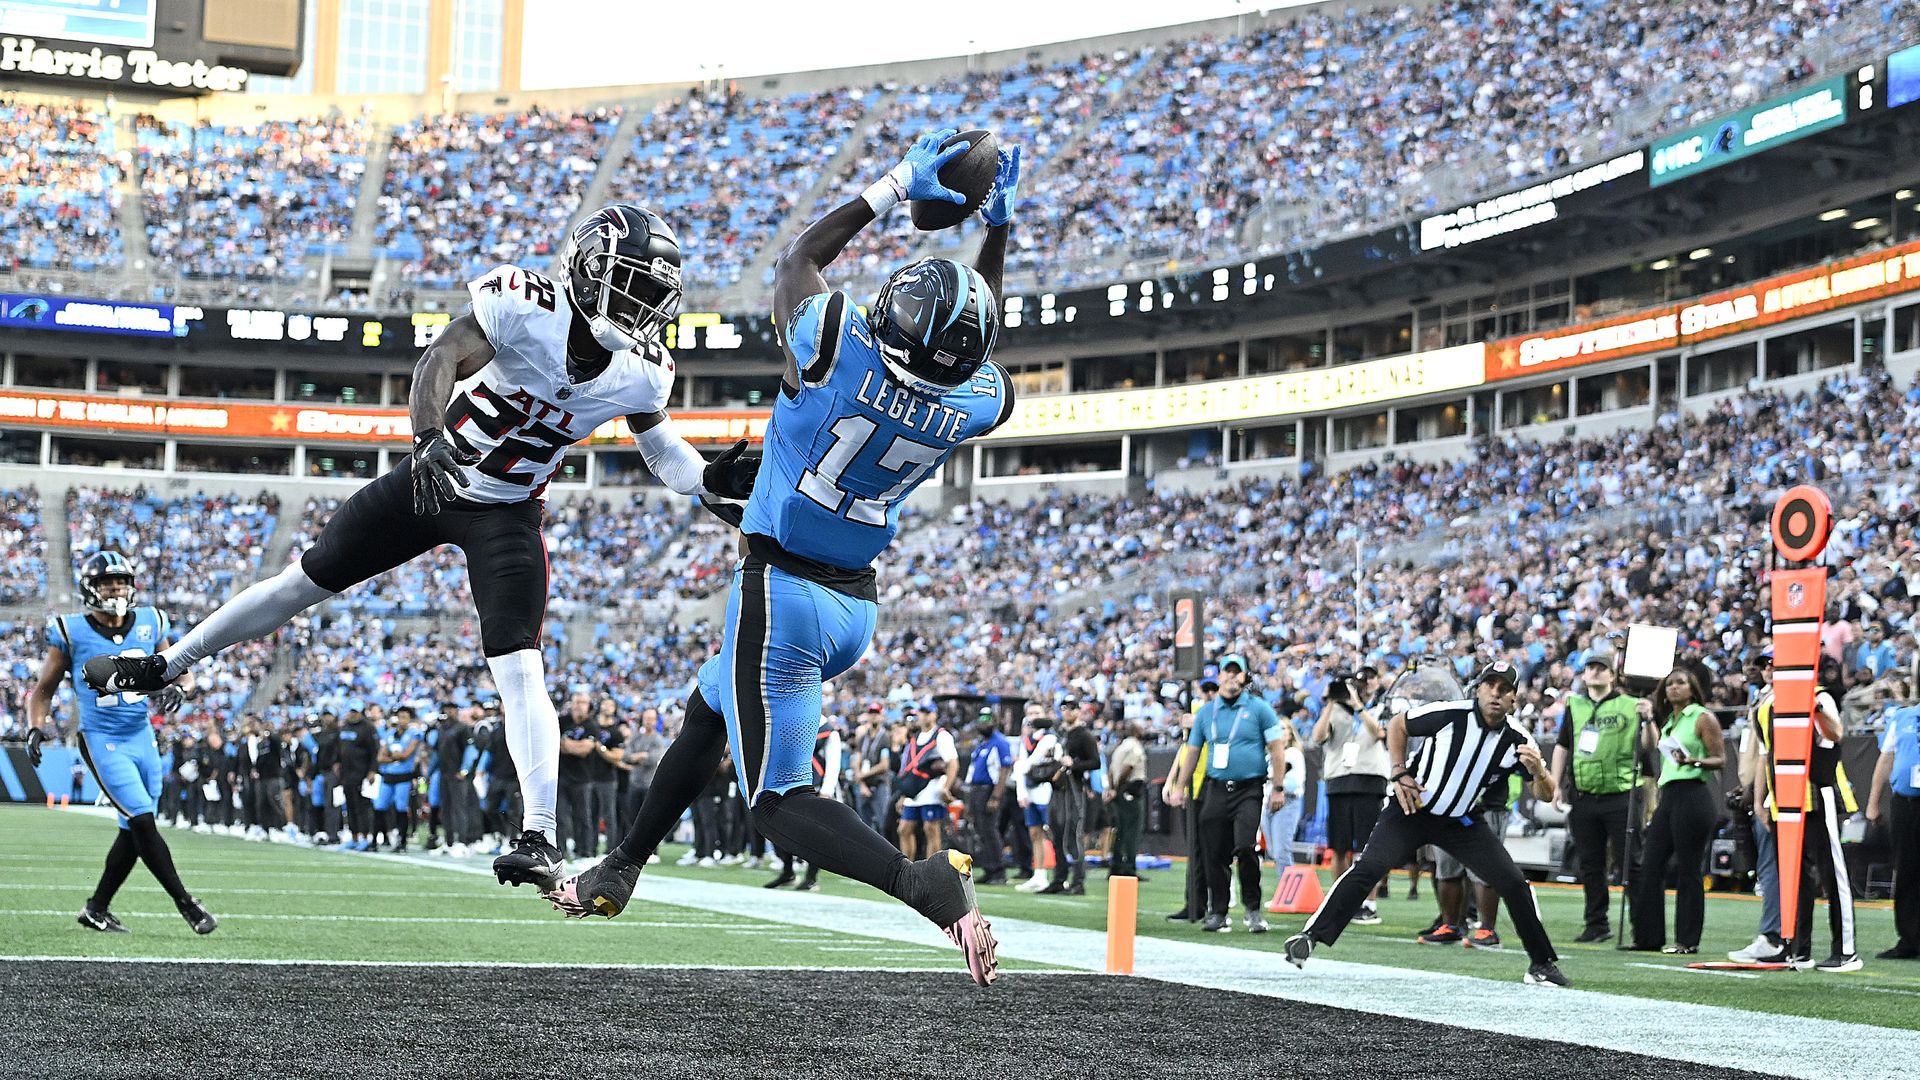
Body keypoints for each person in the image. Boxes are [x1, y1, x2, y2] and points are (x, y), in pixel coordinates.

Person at [79, 203, 758, 891]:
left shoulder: (642, 368)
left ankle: (541, 836)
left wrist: (705, 477)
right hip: (433, 479)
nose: (640, 305)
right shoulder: (527, 303)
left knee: (520, 665)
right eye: (630, 284)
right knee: (302, 581)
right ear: (586, 269)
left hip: (507, 515)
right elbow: (442, 356)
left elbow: (660, 447)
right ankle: (166, 665)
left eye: (651, 293)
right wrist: (429, 438)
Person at [545, 129, 1022, 987]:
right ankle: (621, 865)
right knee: (706, 711)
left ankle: (926, 887)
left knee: (779, 803)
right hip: (852, 607)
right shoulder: (974, 399)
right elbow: (973, 345)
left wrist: (892, 186)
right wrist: (1001, 233)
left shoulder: (839, 342)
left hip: (785, 589)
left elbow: (803, 253)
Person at [1286, 661, 1569, 987]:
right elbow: (1397, 724)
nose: (1495, 693)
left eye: (1504, 689)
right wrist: (1398, 770)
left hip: (1461, 820)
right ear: (1478, 689)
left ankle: (1541, 964)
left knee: (1514, 883)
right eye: (1490, 685)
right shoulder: (1451, 714)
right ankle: (1309, 937)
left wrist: (1539, 772)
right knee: (1369, 867)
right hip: (1412, 809)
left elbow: (1546, 794)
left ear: (1513, 700)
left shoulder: (1518, 738)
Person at [24, 551, 217, 935]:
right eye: (107, 583)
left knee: (135, 827)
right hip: (101, 738)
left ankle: (96, 908)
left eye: (121, 582)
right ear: (90, 589)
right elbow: (43, 690)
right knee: (142, 820)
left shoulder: (151, 621)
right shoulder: (70, 630)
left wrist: (183, 688)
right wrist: (35, 727)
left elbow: (181, 671)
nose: (116, 589)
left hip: (142, 736)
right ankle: (187, 904)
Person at [1165, 654, 1288, 933]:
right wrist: (1180, 787)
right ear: (1219, 676)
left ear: (1244, 677)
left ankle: (1252, 908)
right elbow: (1192, 752)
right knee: (1213, 851)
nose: (1231, 677)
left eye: (1237, 673)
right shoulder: (1207, 713)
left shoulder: (1259, 709)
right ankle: (1218, 911)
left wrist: (1278, 787)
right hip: (1216, 788)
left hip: (1249, 789)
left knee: (1245, 846)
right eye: (1227, 672)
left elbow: (1277, 749)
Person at [1548, 649, 1642, 943]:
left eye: (1601, 667)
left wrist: (1648, 718)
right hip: (1584, 795)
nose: (1595, 671)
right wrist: (1555, 783)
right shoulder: (1574, 705)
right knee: (1590, 863)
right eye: (1590, 667)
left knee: (1631, 862)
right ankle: (1596, 923)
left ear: (1613, 675)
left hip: (1620, 793)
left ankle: (1642, 926)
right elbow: (1563, 745)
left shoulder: (1631, 705)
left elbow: (1650, 744)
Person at [1629, 667, 1724, 955]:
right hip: (1668, 795)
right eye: (1669, 684)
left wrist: (1694, 761)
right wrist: (1647, 719)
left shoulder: (1702, 717)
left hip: (1693, 795)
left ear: (1692, 688)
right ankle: (1648, 937)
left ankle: (1687, 940)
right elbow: (1653, 746)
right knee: (1650, 864)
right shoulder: (1670, 721)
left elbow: (1720, 759)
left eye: (1680, 683)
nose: (1673, 688)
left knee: (1688, 869)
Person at [1778, 656, 1862, 971]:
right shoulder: (1778, 700)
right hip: (1790, 798)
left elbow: (1836, 734)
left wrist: (1815, 708)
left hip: (1818, 793)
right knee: (1798, 877)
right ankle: (1799, 949)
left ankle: (1847, 950)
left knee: (1832, 874)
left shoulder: (1818, 697)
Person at [1310, 671, 1388, 925]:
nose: (1363, 685)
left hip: (1369, 779)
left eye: (1368, 680)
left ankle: (1368, 902)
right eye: (1359, 682)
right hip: (1339, 780)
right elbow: (1318, 736)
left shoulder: (1382, 706)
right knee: (1340, 846)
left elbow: (1379, 733)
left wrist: (1358, 706)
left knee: (1368, 847)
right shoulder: (1336, 711)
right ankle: (1339, 899)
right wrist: (1331, 703)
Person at [1867, 694, 1920, 960]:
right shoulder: (1902, 717)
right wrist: (1873, 802)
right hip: (1905, 803)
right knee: (1906, 869)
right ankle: (1909, 940)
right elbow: (1886, 758)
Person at [1043, 695, 1101, 896]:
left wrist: (1074, 764)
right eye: (1064, 708)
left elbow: (1095, 762)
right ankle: (1059, 879)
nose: (1067, 711)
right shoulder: (1060, 733)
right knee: (1056, 834)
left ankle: (1078, 882)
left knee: (1073, 835)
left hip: (1074, 789)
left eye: (1071, 708)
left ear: (1078, 711)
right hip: (1058, 790)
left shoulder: (1083, 735)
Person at [896, 704, 960, 861]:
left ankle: (931, 873)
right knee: (904, 828)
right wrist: (904, 794)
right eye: (921, 713)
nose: (923, 716)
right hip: (915, 789)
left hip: (932, 787)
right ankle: (907, 869)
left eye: (927, 713)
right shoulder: (915, 737)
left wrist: (946, 787)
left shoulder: (941, 735)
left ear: (934, 715)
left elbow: (952, 762)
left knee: (930, 828)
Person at [965, 707, 1015, 885]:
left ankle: (999, 871)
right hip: (977, 790)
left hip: (989, 790)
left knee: (990, 830)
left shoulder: (1000, 742)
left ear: (994, 721)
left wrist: (995, 796)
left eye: (987, 719)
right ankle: (989, 868)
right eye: (981, 719)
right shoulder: (982, 743)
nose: (983, 723)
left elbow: (1004, 769)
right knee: (981, 830)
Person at [1014, 705, 1061, 893]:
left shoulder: (1050, 738)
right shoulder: (1026, 740)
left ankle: (1060, 874)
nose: (1033, 717)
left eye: (1037, 714)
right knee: (1034, 833)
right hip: (1031, 791)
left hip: (1047, 790)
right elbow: (1021, 769)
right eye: (1031, 714)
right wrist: (1021, 792)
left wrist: (1021, 767)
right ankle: (1039, 874)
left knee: (1053, 832)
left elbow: (1026, 765)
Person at [373, 707, 423, 851]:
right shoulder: (389, 733)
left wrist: (392, 756)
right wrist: (395, 757)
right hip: (388, 776)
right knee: (379, 807)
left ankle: (402, 842)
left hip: (403, 776)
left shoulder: (414, 734)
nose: (401, 720)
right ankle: (375, 841)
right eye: (399, 717)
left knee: (401, 808)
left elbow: (406, 755)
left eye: (405, 717)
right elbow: (380, 757)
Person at [1106, 719, 1150, 879]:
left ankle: (1116, 866)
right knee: (1132, 831)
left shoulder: (1120, 747)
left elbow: (1111, 771)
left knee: (1120, 830)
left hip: (1120, 792)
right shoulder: (1134, 747)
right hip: (1130, 790)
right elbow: (1128, 767)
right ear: (1135, 731)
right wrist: (1118, 788)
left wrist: (1112, 789)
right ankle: (1128, 868)